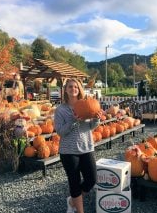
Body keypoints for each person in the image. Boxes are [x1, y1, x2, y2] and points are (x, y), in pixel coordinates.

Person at [54, 78, 101, 213]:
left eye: (75, 86)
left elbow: (91, 127)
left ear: (79, 89)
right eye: (70, 86)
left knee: (91, 179)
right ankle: (79, 210)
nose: (73, 89)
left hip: (86, 147)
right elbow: (60, 131)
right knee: (74, 182)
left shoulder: (87, 105)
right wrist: (74, 121)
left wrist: (96, 119)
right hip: (68, 151)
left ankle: (71, 201)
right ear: (66, 90)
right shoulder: (60, 110)